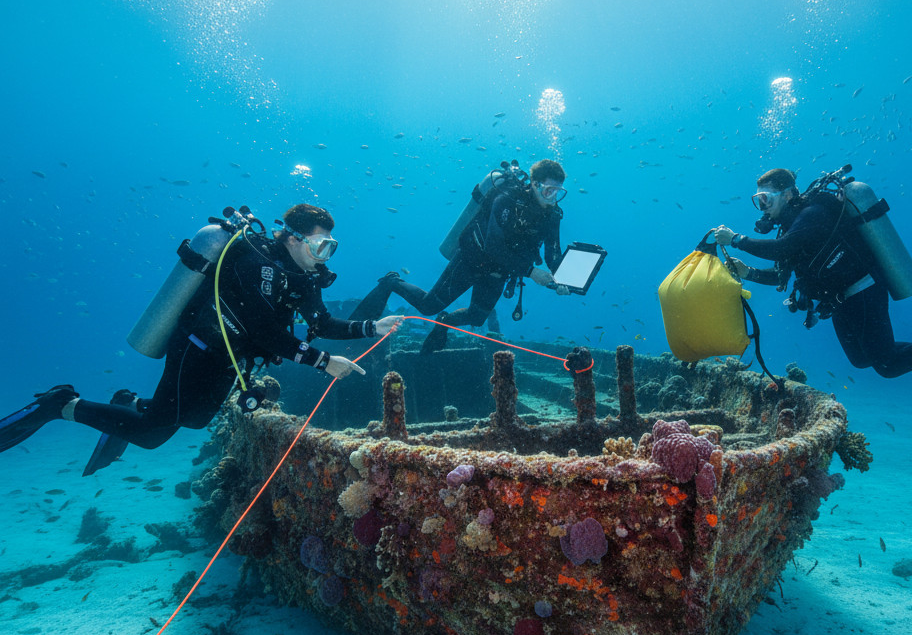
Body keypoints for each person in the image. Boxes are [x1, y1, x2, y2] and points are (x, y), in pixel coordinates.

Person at [0, 203, 403, 461]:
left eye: (330, 248)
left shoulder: (304, 277)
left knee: (192, 421)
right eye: (319, 246)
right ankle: (62, 404)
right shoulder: (260, 264)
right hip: (199, 347)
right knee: (153, 433)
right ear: (293, 238)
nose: (324, 256)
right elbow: (264, 330)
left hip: (231, 356)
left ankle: (129, 401)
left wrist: (372, 327)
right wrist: (322, 362)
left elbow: (322, 324)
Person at [713, 167, 912, 412]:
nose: (762, 207)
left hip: (864, 289)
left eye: (765, 199)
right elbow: (781, 274)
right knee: (862, 361)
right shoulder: (790, 226)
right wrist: (748, 272)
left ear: (788, 193)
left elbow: (783, 249)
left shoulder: (814, 212)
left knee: (886, 365)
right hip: (839, 301)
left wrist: (736, 239)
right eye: (758, 201)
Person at [351, 158, 572, 352]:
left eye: (558, 193)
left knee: (477, 317)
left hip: (500, 271)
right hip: (471, 260)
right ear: (535, 184)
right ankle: (392, 282)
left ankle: (444, 322)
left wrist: (562, 278)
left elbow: (553, 252)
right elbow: (493, 245)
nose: (552, 198)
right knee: (429, 306)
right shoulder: (506, 199)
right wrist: (531, 271)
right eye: (548, 191)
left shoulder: (553, 215)